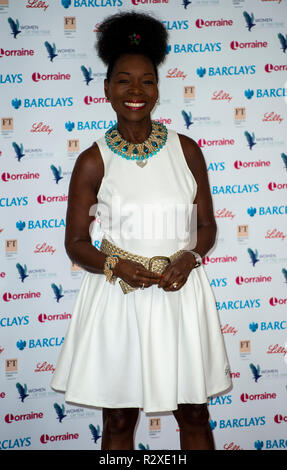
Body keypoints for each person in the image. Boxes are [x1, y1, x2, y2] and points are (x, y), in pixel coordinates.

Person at [51, 12, 232, 450]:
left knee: (193, 412)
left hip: (179, 293)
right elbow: (75, 244)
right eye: (124, 81)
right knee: (117, 420)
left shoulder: (186, 149)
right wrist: (117, 265)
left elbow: (205, 227)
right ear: (108, 89)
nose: (136, 91)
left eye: (147, 81)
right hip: (119, 297)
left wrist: (189, 259)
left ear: (157, 88)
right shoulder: (93, 160)